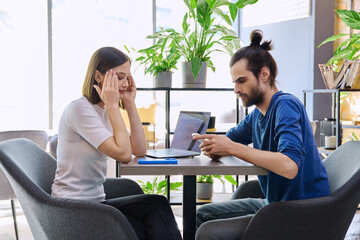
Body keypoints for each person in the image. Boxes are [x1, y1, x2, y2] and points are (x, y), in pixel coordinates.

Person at [193, 30, 331, 229]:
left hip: (301, 210)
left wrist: (231, 148)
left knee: (208, 230)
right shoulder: (258, 114)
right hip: (274, 203)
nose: (236, 89)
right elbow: (232, 139)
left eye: (241, 80)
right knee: (202, 214)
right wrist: (212, 144)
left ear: (264, 74)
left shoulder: (286, 106)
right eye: (234, 82)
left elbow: (289, 166)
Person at [51, 46, 182, 240]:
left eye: (127, 77)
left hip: (96, 203)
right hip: (74, 208)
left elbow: (138, 149)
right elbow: (124, 155)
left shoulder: (103, 111)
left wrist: (129, 104)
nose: (125, 84)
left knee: (155, 209)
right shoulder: (80, 109)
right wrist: (113, 106)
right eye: (119, 77)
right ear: (98, 76)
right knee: (154, 210)